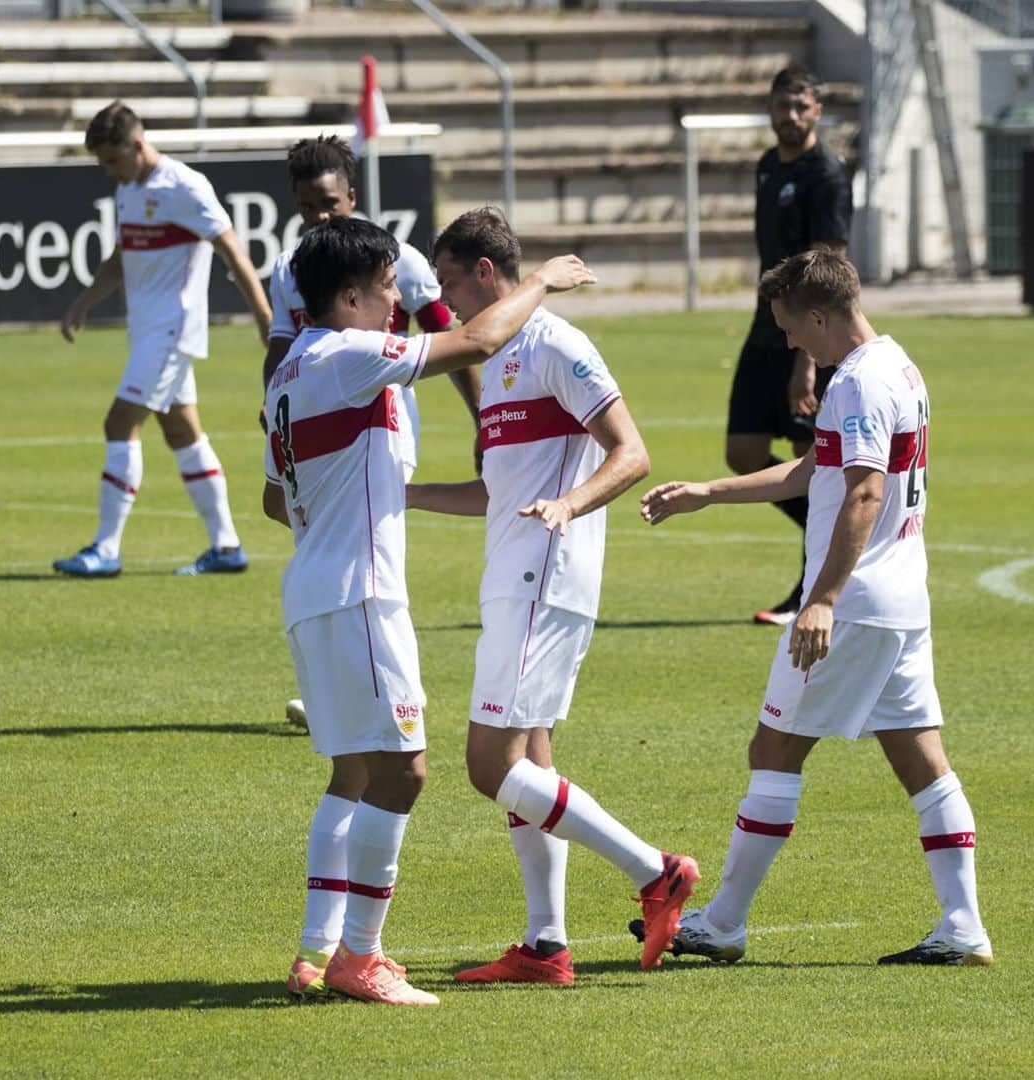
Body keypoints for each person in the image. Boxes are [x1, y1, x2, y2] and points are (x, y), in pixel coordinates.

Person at [264, 215, 594, 1006]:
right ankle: (360, 957)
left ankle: (316, 951)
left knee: (354, 770)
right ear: (348, 296)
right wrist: (542, 281)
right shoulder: (346, 355)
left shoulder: (287, 372)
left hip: (315, 587)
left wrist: (353, 502)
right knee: (406, 772)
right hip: (360, 593)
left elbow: (274, 502)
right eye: (386, 292)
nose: (398, 306)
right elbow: (476, 343)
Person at [635, 249, 991, 967]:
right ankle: (964, 926)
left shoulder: (858, 383)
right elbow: (814, 470)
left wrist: (820, 598)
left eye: (793, 329)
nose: (792, 343)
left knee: (773, 751)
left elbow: (862, 492)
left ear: (822, 314)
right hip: (901, 598)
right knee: (924, 762)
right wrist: (709, 490)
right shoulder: (897, 365)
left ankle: (724, 923)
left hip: (855, 604)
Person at [405, 208, 699, 985]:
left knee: (486, 764)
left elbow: (631, 453)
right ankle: (546, 946)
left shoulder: (556, 344)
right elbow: (497, 494)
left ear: (488, 274)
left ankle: (656, 869)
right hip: (513, 572)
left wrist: (569, 507)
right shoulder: (499, 359)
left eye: (450, 281)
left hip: (545, 573)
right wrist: (404, 494)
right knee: (531, 758)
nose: (444, 298)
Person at [262, 135, 481, 730]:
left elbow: (447, 338)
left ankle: (355, 677)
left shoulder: (399, 259)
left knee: (366, 543)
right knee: (358, 550)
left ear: (351, 196)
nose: (318, 216)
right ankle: (361, 677)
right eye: (307, 206)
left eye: (328, 203)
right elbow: (279, 347)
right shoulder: (294, 267)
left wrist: (482, 419)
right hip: (319, 416)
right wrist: (274, 407)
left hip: (380, 425)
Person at [54, 100, 271, 579]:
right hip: (148, 332)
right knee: (181, 432)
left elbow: (232, 250)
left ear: (136, 144)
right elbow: (121, 257)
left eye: (111, 160)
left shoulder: (186, 187)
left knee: (118, 422)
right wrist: (82, 303)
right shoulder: (130, 189)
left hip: (173, 329)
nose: (108, 172)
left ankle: (106, 549)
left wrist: (264, 317)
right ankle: (227, 546)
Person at [728, 65, 853, 625]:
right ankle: (823, 531)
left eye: (802, 107)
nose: (792, 115)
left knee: (818, 463)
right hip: (766, 325)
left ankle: (814, 590)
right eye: (783, 105)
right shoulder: (765, 166)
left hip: (810, 336)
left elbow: (832, 266)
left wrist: (808, 360)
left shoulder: (825, 173)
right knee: (743, 451)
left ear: (817, 111)